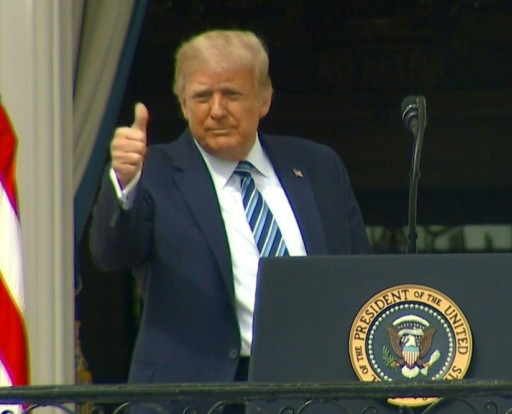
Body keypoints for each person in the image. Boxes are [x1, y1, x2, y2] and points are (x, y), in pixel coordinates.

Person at [89, 29, 372, 390]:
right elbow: (111, 254)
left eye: (232, 95)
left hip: (316, 387)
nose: (217, 110)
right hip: (199, 395)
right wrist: (124, 182)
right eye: (202, 96)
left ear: (265, 99)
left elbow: (360, 275)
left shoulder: (317, 166)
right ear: (184, 103)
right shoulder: (154, 171)